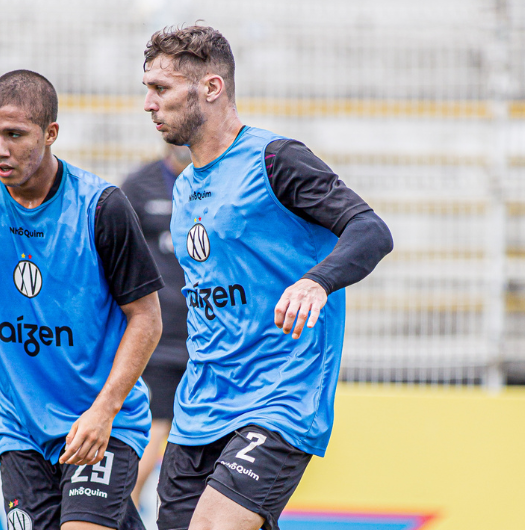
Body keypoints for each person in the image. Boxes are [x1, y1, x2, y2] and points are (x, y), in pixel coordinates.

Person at [141, 26, 393, 530]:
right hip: (200, 406)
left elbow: (370, 230)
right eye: (147, 89)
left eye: (161, 89)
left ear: (211, 88)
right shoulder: (187, 185)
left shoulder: (274, 160)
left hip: (278, 399)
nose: (148, 103)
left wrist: (316, 281)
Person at [0, 69, 164, 530]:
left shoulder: (101, 207)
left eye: (14, 135)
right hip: (20, 429)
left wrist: (103, 410)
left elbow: (146, 319)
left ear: (50, 134)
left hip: (100, 423)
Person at [120, 144, 192, 507]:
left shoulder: (223, 184)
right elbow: (115, 252)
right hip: (159, 335)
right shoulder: (140, 184)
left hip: (213, 336)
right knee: (153, 427)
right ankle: (122, 511)